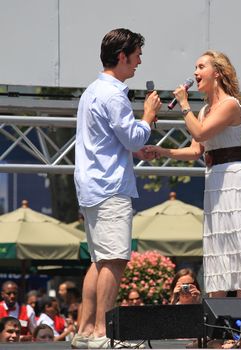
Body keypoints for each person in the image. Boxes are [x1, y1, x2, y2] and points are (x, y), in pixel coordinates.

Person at [145, 50, 241, 298]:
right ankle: (217, 327)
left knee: (240, 246)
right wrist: (163, 150)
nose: (195, 73)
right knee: (218, 246)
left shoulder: (229, 105)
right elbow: (196, 150)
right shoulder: (204, 110)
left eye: (200, 67)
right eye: (195, 68)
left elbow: (200, 134)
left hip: (233, 176)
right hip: (215, 177)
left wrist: (184, 104)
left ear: (217, 72)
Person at [72, 27, 161, 349]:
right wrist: (148, 117)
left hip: (93, 183)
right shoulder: (113, 93)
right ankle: (101, 333)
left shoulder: (93, 90)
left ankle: (85, 331)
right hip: (109, 185)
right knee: (114, 259)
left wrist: (136, 142)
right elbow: (133, 137)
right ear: (122, 56)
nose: (139, 62)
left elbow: (117, 141)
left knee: (100, 260)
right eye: (136, 55)